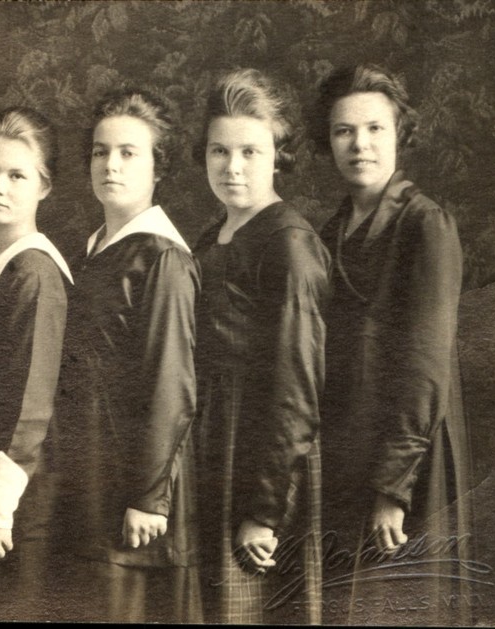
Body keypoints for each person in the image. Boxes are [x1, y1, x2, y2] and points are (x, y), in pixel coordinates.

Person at [314, 64, 473, 625]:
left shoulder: (425, 225)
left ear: (399, 133)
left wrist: (393, 486)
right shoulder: (332, 233)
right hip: (346, 452)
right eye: (344, 131)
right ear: (327, 140)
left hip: (409, 459)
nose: (360, 144)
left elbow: (426, 366)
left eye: (375, 129)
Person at [54, 89, 201, 623]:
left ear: (158, 168)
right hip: (88, 478)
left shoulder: (162, 258)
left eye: (128, 153)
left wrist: (148, 496)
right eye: (100, 151)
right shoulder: (91, 250)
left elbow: (172, 383)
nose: (110, 165)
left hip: (135, 493)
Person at [191, 68, 330, 625]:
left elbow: (296, 391)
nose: (233, 166)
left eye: (251, 150)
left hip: (260, 462)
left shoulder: (290, 244)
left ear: (279, 154)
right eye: (219, 150)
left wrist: (264, 512)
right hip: (210, 446)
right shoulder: (210, 235)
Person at [0, 107, 73, 621]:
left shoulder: (36, 272)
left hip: (15, 497)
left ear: (44, 187)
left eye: (16, 175)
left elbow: (32, 403)